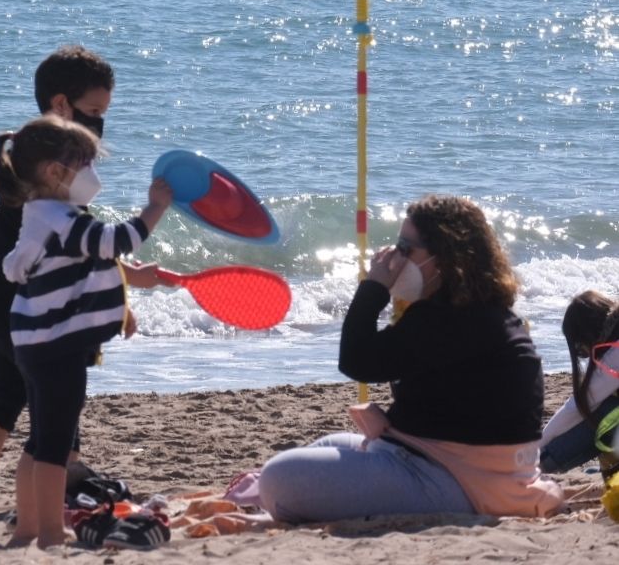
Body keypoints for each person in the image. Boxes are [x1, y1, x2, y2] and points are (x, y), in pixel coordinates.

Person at [256, 195, 562, 523]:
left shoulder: (449, 320)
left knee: (278, 479)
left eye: (405, 247)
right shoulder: (479, 313)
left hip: (460, 480)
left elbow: (357, 361)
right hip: (464, 466)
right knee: (328, 445)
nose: (395, 256)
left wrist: (374, 288)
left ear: (443, 257)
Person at [0, 46, 161, 520]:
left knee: (2, 395)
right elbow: (73, 247)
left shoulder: (33, 159)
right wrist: (124, 281)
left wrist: (122, 287)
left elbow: (65, 249)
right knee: (50, 416)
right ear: (62, 105)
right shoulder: (54, 168)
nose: (100, 124)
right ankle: (41, 510)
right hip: (30, 309)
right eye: (93, 113)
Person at [0, 114, 173, 548]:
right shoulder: (62, 218)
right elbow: (114, 243)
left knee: (41, 440)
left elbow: (83, 272)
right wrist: (156, 207)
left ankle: (28, 528)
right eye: (86, 165)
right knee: (54, 445)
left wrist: (118, 306)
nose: (93, 175)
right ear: (56, 173)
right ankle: (51, 531)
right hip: (56, 350)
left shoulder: (42, 216)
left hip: (35, 344)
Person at [539, 290, 619, 473]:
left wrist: (539, 445)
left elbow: (578, 406)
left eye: (580, 347)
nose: (581, 353)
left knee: (603, 416)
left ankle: (541, 464)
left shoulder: (615, 354)